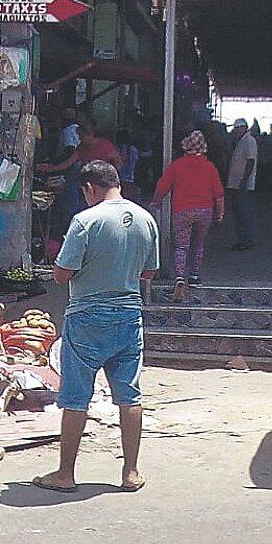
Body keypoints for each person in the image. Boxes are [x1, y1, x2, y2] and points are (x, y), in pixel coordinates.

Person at [33, 161, 158, 494]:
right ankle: (130, 472)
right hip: (129, 316)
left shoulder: (85, 221)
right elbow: (148, 273)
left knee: (76, 398)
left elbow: (61, 274)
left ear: (89, 188)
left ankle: (65, 474)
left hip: (87, 316)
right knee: (129, 396)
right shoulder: (146, 219)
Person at [151, 131, 224, 301]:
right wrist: (219, 213)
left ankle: (179, 277)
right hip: (205, 211)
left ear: (185, 146)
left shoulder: (177, 165)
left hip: (182, 211)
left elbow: (162, 187)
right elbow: (218, 193)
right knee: (198, 244)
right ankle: (194, 275)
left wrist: (156, 202)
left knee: (181, 246)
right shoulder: (210, 167)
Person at [225, 118, 259, 250]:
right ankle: (242, 239)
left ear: (244, 128)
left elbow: (251, 161)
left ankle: (247, 240)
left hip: (243, 185)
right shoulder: (240, 141)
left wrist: (244, 181)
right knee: (238, 213)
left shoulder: (249, 141)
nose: (236, 131)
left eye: (238, 128)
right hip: (235, 184)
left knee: (245, 213)